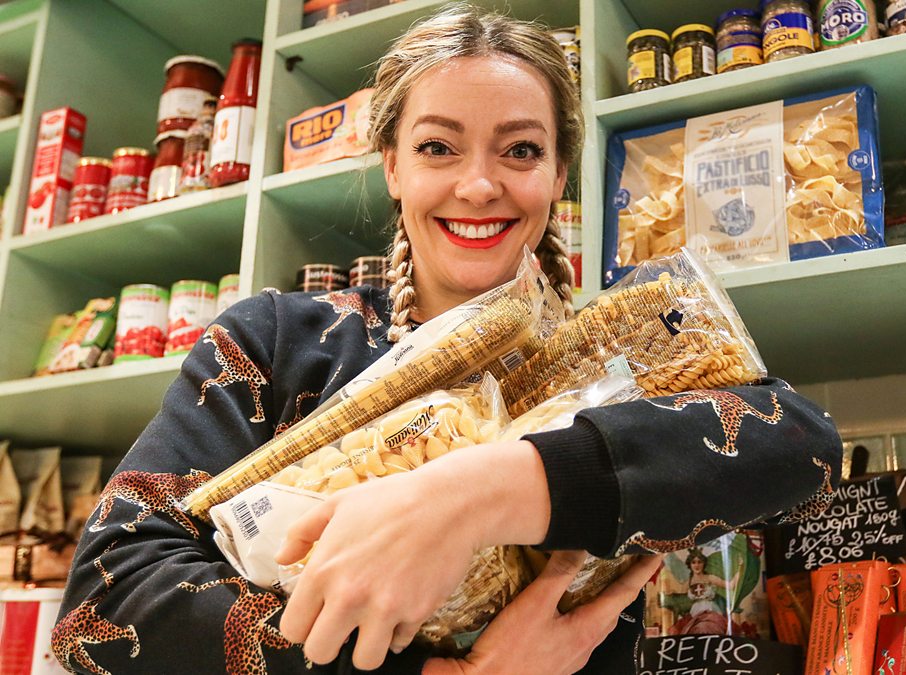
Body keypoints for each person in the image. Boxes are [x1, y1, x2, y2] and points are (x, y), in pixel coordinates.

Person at [54, 5, 842, 674]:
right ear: (392, 165)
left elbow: (801, 445)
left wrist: (466, 496)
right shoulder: (278, 341)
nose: (479, 184)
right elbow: (110, 595)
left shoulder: (615, 355)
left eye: (521, 149)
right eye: (438, 146)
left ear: (558, 174)